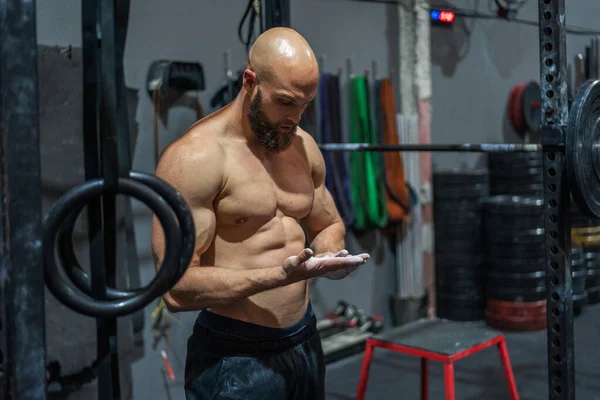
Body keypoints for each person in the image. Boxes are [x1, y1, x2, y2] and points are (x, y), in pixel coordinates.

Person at [151, 26, 371, 400]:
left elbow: (328, 221)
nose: (296, 118)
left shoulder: (302, 147)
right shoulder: (195, 159)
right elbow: (176, 288)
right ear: (250, 81)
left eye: (305, 105)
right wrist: (278, 275)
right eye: (286, 102)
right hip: (234, 355)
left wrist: (331, 255)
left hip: (304, 340)